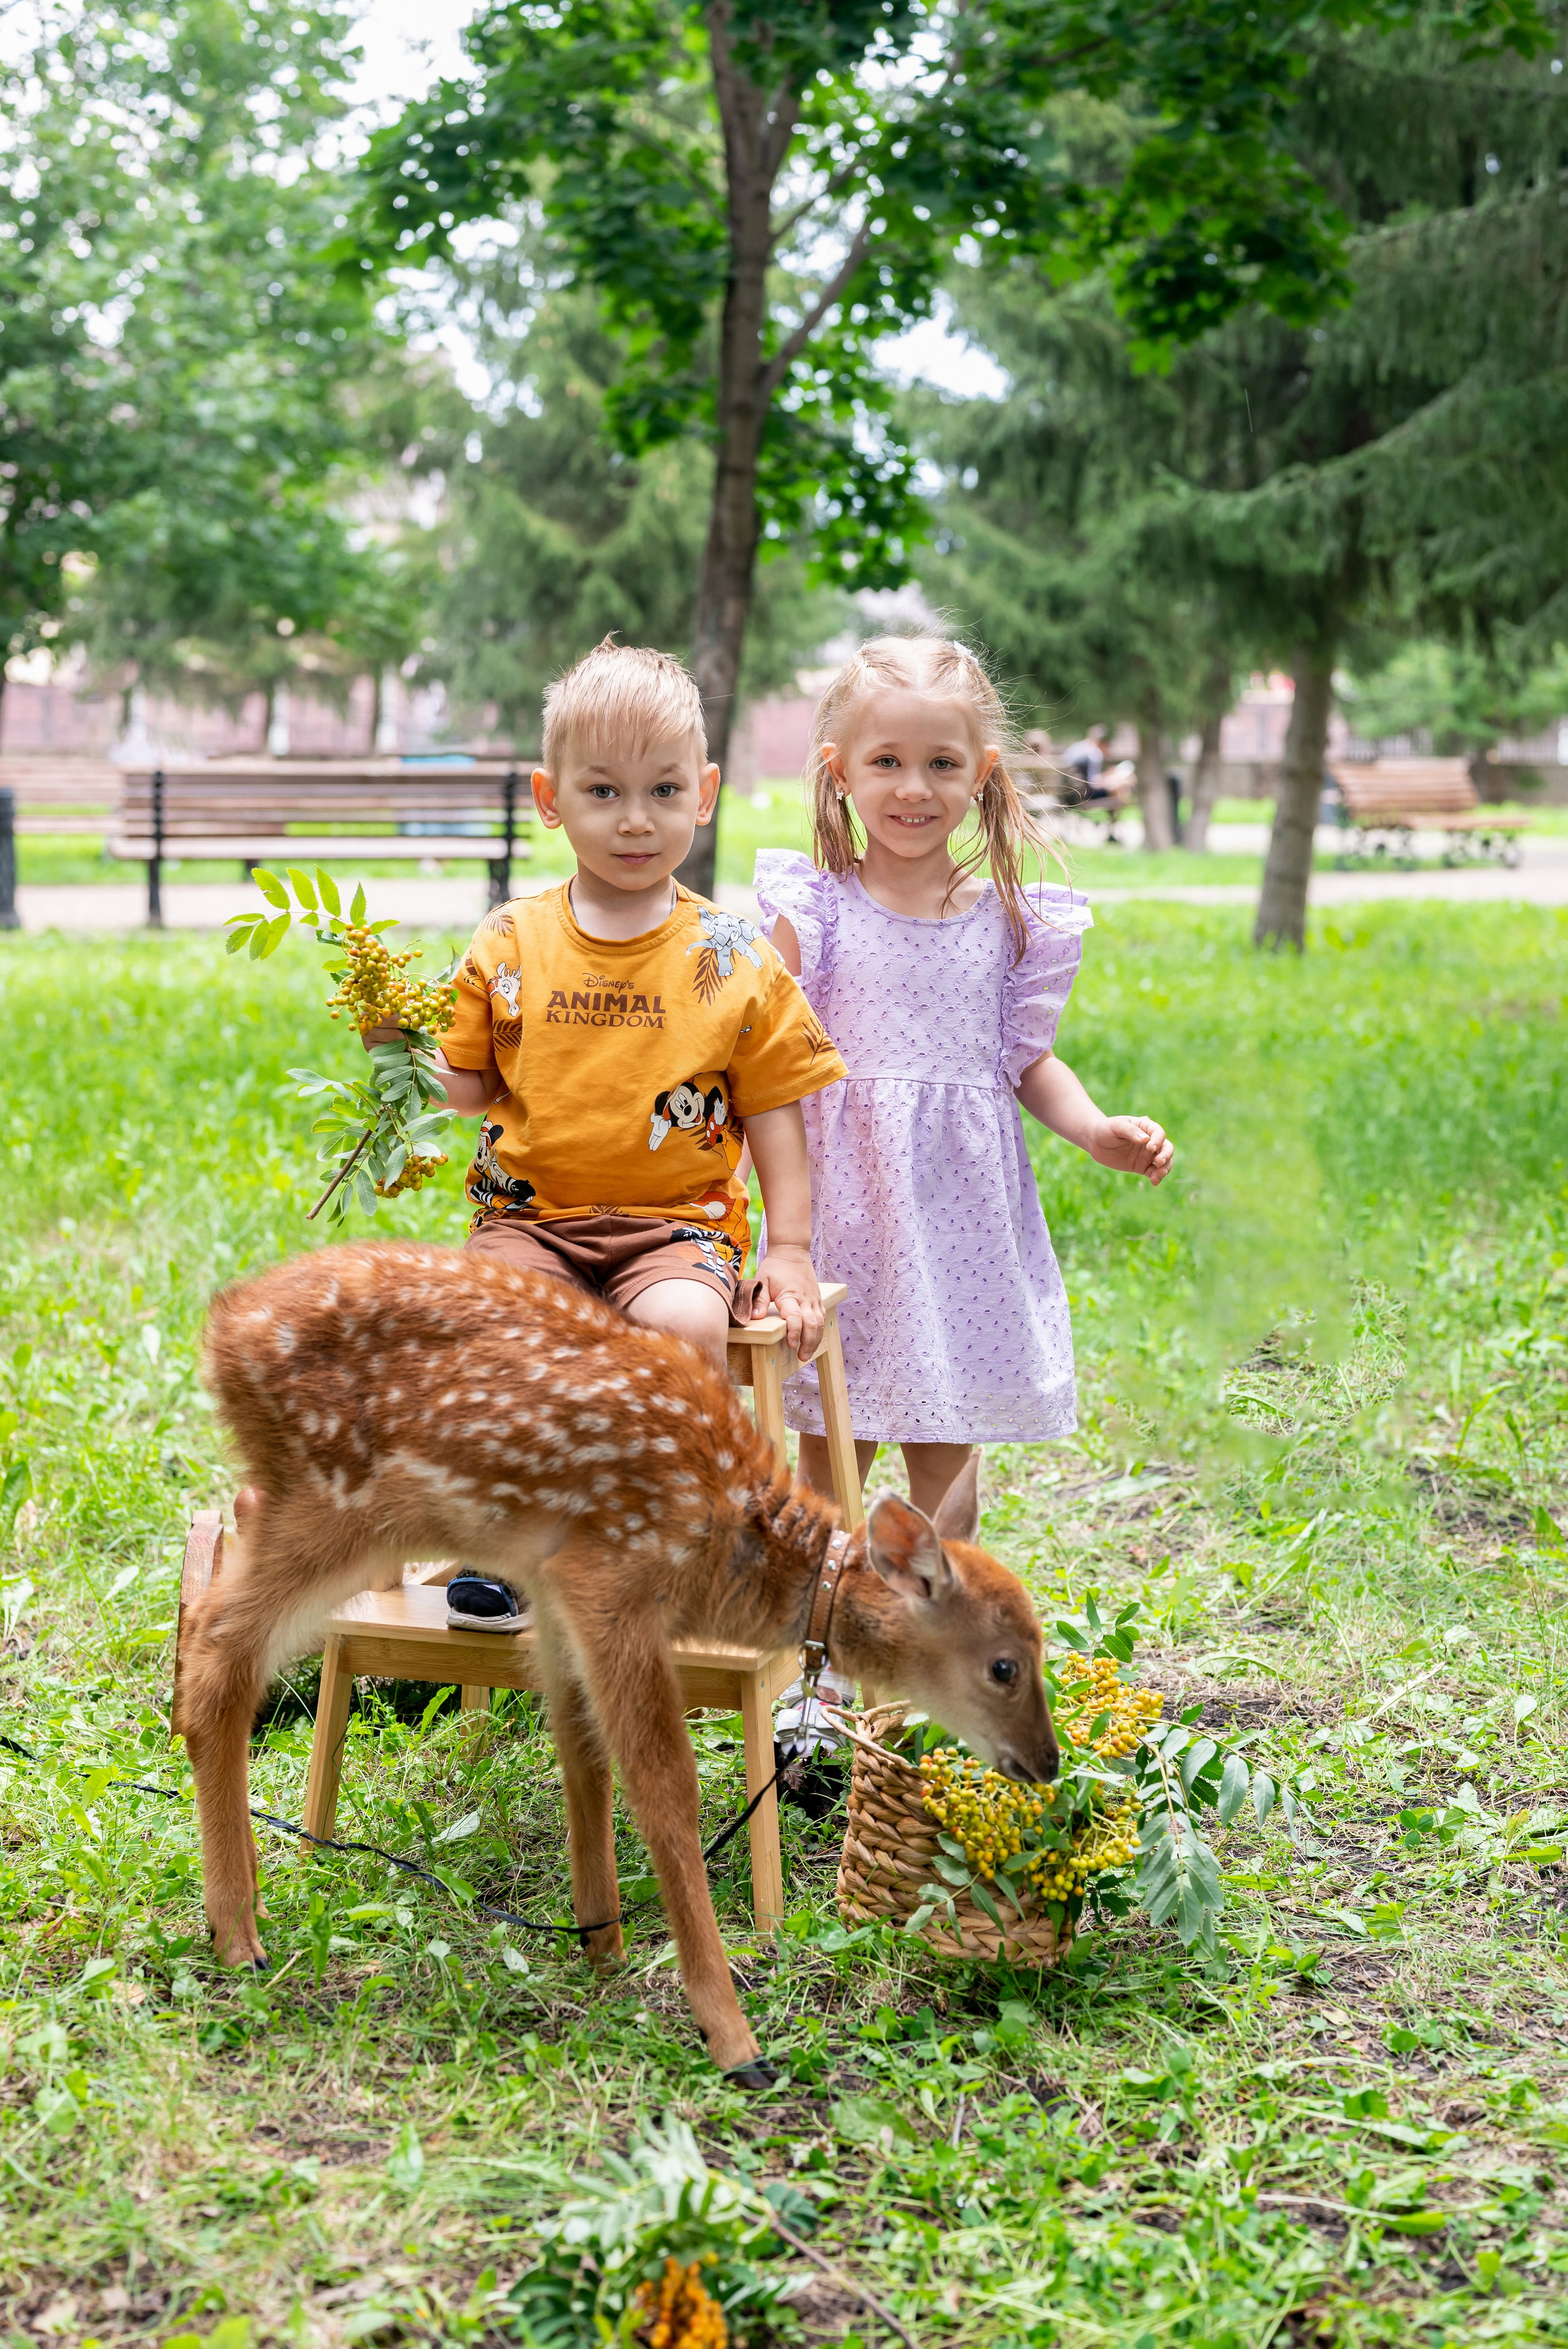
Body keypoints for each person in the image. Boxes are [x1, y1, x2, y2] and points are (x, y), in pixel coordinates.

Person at [754, 634, 1174, 1519]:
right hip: (846, 1218)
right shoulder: (816, 912)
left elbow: (1024, 1061)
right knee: (830, 1460)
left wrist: (1097, 1131)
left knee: (948, 1471)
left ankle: (931, 1641)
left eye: (942, 762)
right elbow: (758, 1060)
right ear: (841, 772)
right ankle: (822, 1643)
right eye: (888, 761)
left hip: (959, 1225)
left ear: (982, 772)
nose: (914, 787)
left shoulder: (1012, 924)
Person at [364, 638, 847, 1367]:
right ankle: (545, 1480)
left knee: (683, 1330)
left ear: (704, 794)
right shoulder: (510, 939)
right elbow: (470, 1088)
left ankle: (670, 1482)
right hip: (527, 1225)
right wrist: (403, 1049)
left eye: (663, 791)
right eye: (603, 791)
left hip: (677, 1232)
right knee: (499, 1324)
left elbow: (776, 1110)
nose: (635, 820)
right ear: (549, 799)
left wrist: (788, 1250)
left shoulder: (736, 953)